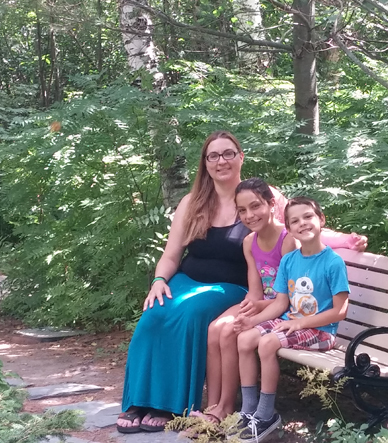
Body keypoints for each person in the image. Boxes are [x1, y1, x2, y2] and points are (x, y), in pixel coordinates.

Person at [116, 131, 366, 433]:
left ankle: (170, 405)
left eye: (228, 153)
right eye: (213, 156)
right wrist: (158, 280)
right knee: (153, 316)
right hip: (186, 279)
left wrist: (347, 240)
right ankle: (139, 401)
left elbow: (295, 226)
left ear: (240, 157)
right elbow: (171, 255)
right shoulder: (192, 202)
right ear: (205, 163)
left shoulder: (260, 194)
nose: (221, 161)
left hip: (231, 287)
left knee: (190, 314)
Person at [233, 197, 350, 443]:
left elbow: (340, 312)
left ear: (321, 220)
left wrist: (299, 323)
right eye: (295, 221)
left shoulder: (333, 262)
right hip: (291, 322)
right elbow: (279, 303)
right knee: (244, 339)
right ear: (289, 227)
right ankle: (248, 410)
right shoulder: (289, 260)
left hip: (321, 331)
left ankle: (266, 416)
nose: (303, 223)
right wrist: (252, 322)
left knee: (267, 343)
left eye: (308, 216)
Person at [191, 177, 297, 424]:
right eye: (242, 210)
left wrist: (254, 315)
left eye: (256, 206)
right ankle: (214, 405)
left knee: (229, 332)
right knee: (216, 328)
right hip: (266, 305)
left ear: (272, 205)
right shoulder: (250, 242)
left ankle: (226, 408)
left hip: (287, 309)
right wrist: (248, 308)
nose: (249, 215)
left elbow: (290, 298)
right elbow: (255, 290)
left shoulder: (288, 241)